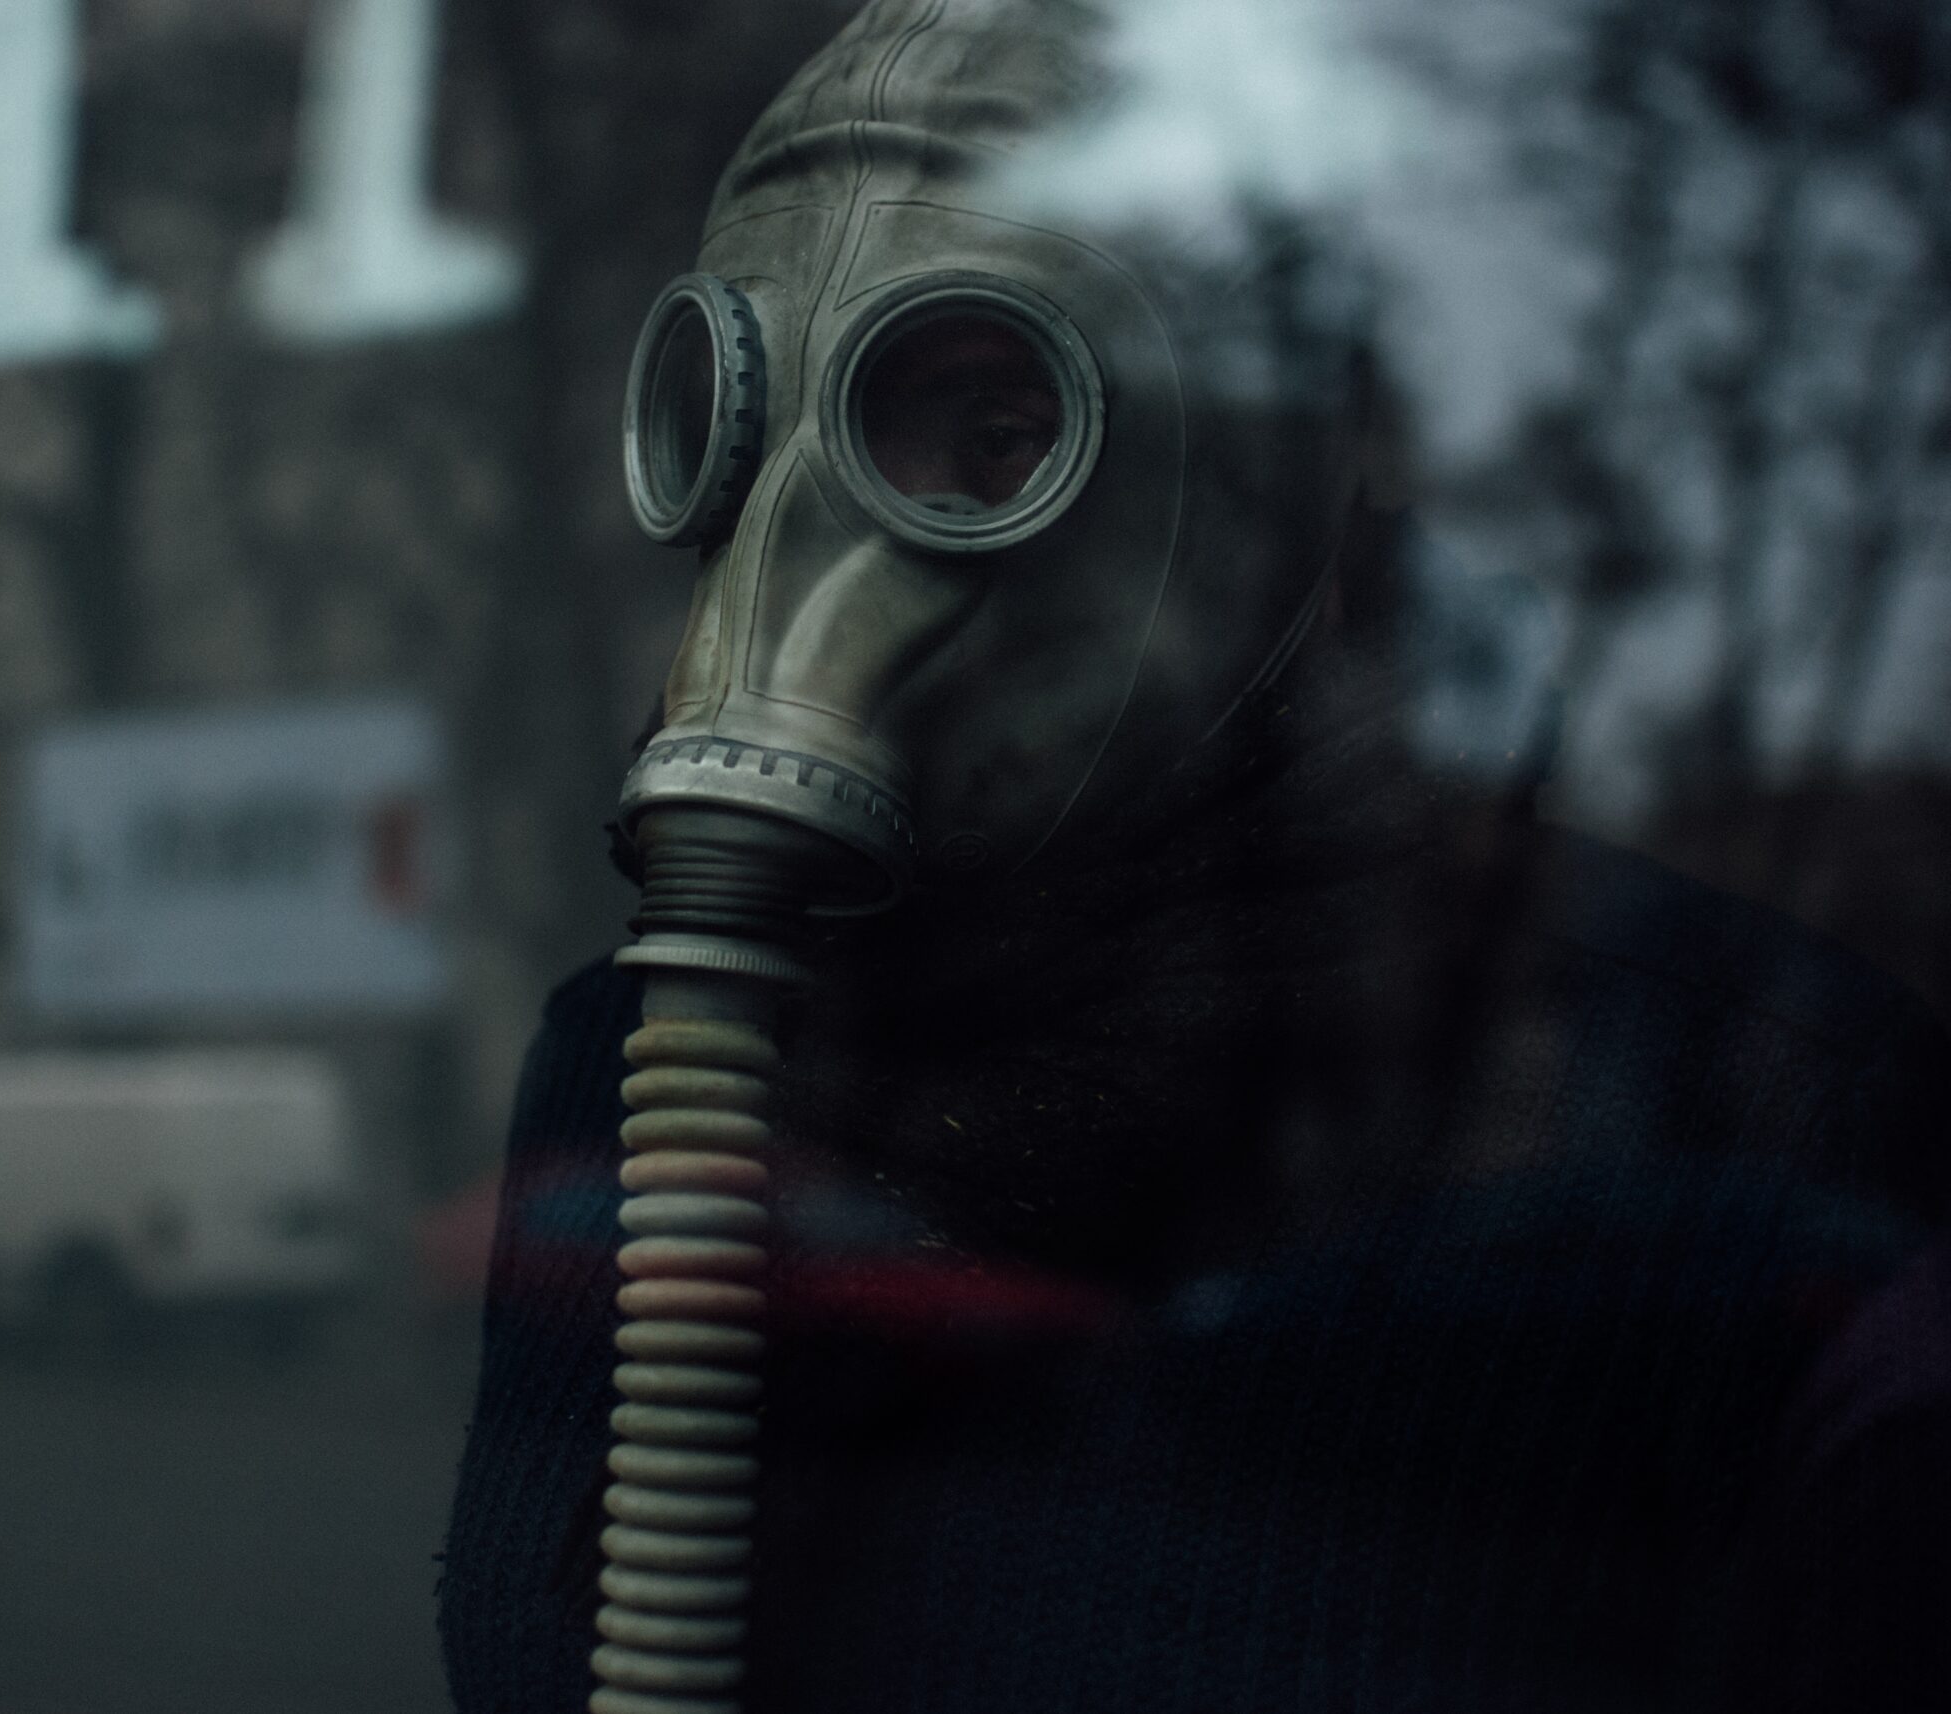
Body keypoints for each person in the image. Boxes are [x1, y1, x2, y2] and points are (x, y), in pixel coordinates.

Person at [439, 2, 1951, 1709]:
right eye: (747, 421)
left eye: (993, 435)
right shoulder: (633, 1067)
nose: (794, 560)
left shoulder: (1729, 1086)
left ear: (1260, 487)